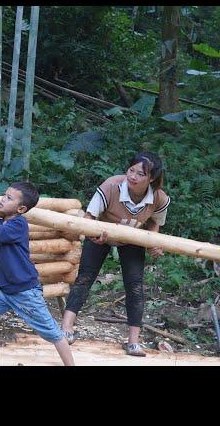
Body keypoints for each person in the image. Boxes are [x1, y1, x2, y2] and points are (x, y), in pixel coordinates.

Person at [60, 151, 170, 357]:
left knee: (135, 286)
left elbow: (155, 222)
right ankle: (66, 329)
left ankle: (133, 342)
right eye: (131, 170)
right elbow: (89, 216)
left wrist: (154, 242)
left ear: (152, 178)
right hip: (100, 233)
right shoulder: (111, 186)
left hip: (133, 238)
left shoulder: (159, 197)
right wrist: (94, 233)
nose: (133, 177)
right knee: (84, 278)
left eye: (140, 174)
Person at [0, 182, 75, 366]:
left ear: (21, 208)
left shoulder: (18, 225)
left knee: (51, 331)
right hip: (5, 291)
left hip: (25, 291)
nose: (2, 199)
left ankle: (70, 364)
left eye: (9, 198)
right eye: (4, 195)